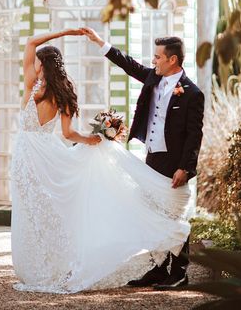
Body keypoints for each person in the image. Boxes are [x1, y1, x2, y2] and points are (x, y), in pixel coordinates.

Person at [10, 29, 192, 294]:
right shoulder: (61, 95)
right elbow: (70, 134)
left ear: (42, 65)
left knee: (34, 212)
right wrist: (91, 141)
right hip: (47, 155)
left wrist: (67, 32)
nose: (34, 65)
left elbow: (30, 41)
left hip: (26, 157)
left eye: (38, 62)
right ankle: (57, 266)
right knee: (55, 209)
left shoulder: (30, 86)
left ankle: (45, 266)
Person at [81, 27, 204, 289]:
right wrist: (100, 42)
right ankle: (158, 268)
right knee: (151, 210)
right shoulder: (153, 78)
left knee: (173, 215)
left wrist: (185, 167)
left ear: (172, 60)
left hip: (175, 163)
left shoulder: (192, 93)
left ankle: (179, 273)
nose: (153, 62)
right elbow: (129, 65)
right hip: (152, 158)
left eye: (158, 57)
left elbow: (195, 135)